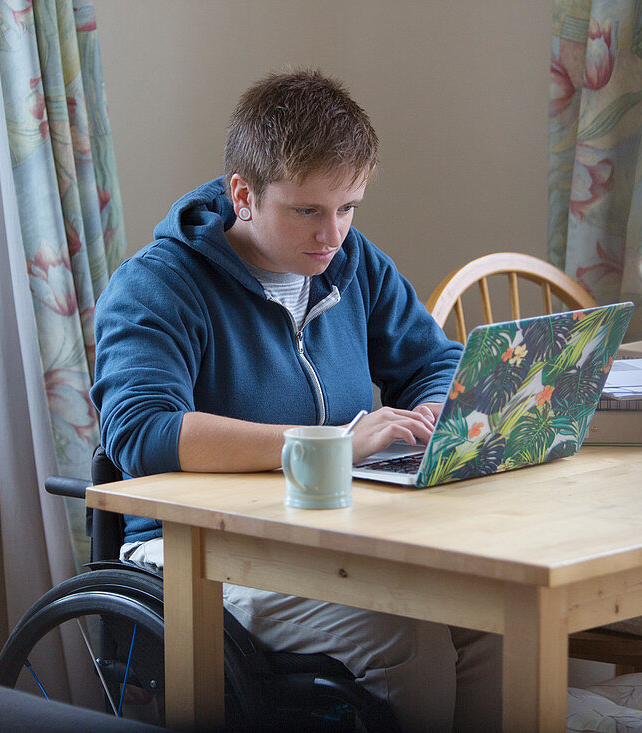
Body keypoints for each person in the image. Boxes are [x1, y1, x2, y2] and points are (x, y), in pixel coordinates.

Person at [91, 69, 502, 731]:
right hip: (192, 546)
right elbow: (143, 432)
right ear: (243, 195)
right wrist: (330, 444)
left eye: (348, 207)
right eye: (307, 209)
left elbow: (436, 360)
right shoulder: (156, 286)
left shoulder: (346, 261)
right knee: (408, 639)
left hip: (321, 529)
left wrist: (431, 407)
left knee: (492, 618)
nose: (332, 232)